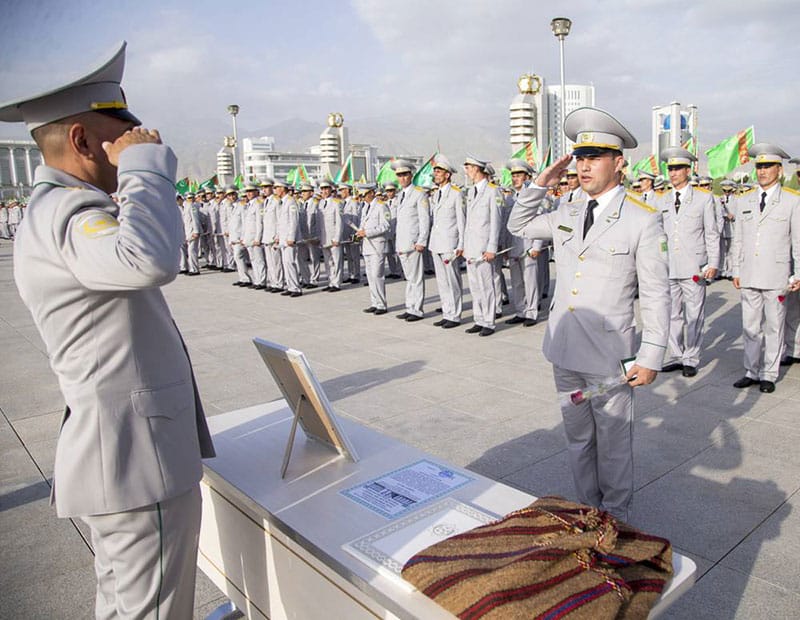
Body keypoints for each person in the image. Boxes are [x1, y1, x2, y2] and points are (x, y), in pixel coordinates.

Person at [0, 41, 215, 618]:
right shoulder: (71, 211)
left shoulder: (57, 210)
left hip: (122, 455)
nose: (127, 147)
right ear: (80, 140)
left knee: (126, 606)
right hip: (135, 460)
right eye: (117, 135)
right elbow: (149, 259)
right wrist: (146, 167)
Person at [508, 107, 670, 521]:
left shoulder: (642, 219)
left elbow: (655, 293)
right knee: (578, 438)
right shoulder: (567, 210)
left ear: (618, 163)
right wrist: (541, 184)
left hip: (609, 357)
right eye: (580, 158)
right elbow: (519, 225)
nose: (583, 166)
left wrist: (651, 354)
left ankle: (614, 515)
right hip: (564, 350)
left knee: (614, 441)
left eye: (594, 157)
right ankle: (586, 508)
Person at [730, 143, 800, 392]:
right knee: (750, 326)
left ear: (779, 170)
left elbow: (797, 241)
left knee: (773, 326)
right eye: (759, 166)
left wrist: (798, 272)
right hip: (749, 273)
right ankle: (751, 370)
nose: (762, 171)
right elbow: (738, 238)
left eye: (768, 166)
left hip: (776, 274)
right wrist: (735, 269)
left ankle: (769, 373)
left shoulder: (792, 201)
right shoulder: (744, 199)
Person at [658, 147, 719, 377]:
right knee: (672, 314)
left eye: (677, 169)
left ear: (688, 170)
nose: (673, 173)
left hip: (694, 266)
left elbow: (711, 233)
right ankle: (675, 354)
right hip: (669, 266)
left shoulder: (703, 199)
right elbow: (658, 235)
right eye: (670, 168)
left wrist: (713, 262)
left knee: (694, 314)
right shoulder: (662, 199)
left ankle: (691, 357)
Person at [463, 155, 503, 336]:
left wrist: (492, 247)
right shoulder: (471, 192)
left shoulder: (492, 191)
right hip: (471, 247)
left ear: (477, 169)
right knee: (474, 286)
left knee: (487, 285)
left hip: (484, 248)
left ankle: (489, 321)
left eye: (469, 168)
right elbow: (468, 222)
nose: (467, 171)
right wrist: (464, 246)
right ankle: (478, 318)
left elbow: (496, 221)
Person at [505, 158, 543, 327]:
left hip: (528, 245)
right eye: (513, 175)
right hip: (514, 246)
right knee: (517, 282)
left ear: (527, 177)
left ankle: (532, 312)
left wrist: (537, 246)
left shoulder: (532, 197)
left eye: (519, 175)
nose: (515, 178)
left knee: (530, 281)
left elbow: (540, 222)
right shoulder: (511, 198)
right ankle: (520, 310)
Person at [391, 159, 430, 321]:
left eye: (405, 174)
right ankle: (410, 307)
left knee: (416, 278)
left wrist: (422, 240)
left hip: (414, 243)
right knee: (409, 279)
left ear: (411, 175)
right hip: (402, 243)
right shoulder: (400, 196)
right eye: (399, 175)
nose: (402, 178)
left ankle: (417, 310)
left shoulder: (419, 194)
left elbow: (424, 219)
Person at [355, 183, 390, 314]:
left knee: (377, 275)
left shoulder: (382, 206)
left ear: (371, 193)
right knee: (370, 276)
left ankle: (381, 304)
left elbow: (385, 226)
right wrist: (359, 234)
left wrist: (367, 232)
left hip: (377, 245)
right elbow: (363, 225)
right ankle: (374, 302)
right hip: (367, 246)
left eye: (363, 195)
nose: (362, 198)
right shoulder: (365, 208)